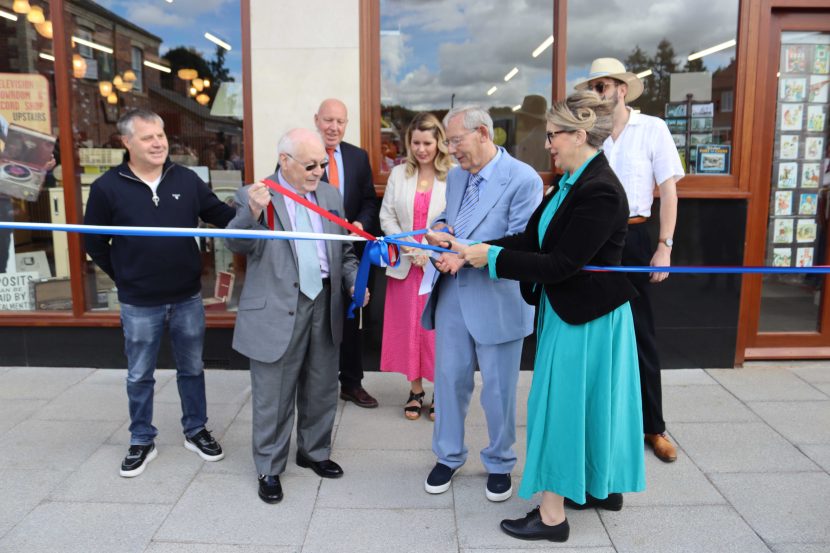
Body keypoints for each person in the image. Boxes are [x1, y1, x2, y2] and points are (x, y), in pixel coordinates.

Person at [448, 90, 646, 542]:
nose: (548, 144)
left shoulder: (600, 190)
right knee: (588, 403)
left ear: (580, 135)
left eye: (554, 135)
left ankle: (553, 515)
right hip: (572, 309)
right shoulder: (571, 182)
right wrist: (478, 248)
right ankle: (597, 487)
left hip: (589, 318)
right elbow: (534, 239)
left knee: (559, 406)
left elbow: (560, 264)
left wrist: (492, 259)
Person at [83, 109, 235, 477]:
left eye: (161, 135)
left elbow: (222, 216)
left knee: (191, 369)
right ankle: (141, 439)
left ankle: (195, 430)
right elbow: (94, 242)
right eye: (148, 137)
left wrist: (256, 210)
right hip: (139, 302)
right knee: (139, 374)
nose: (158, 143)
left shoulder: (185, 178)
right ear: (126, 142)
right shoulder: (107, 187)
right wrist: (125, 277)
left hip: (186, 297)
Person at [224, 128, 363, 504]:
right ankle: (269, 466)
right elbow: (237, 243)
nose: (318, 171)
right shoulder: (258, 194)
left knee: (321, 386)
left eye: (323, 163)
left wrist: (353, 283)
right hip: (277, 306)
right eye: (310, 165)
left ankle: (313, 452)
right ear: (284, 161)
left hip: (324, 300)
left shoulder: (331, 195)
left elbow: (345, 251)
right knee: (274, 393)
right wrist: (250, 213)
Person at [421, 105, 542, 502]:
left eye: (456, 141)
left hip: (498, 297)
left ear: (484, 134)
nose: (451, 150)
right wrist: (439, 231)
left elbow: (521, 241)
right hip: (453, 295)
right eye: (449, 142)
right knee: (450, 382)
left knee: (498, 391)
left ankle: (500, 462)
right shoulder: (456, 177)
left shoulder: (523, 180)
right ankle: (448, 455)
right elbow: (449, 218)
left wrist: (464, 254)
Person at [575, 57, 684, 462]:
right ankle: (601, 422)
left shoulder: (652, 128)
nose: (597, 94)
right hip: (594, 237)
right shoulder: (591, 132)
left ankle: (653, 426)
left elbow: (669, 191)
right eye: (593, 88)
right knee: (595, 331)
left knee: (640, 334)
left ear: (622, 88)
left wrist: (664, 245)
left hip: (636, 234)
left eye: (602, 87)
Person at [378, 112, 452, 420]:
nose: (421, 149)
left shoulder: (454, 174)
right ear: (409, 143)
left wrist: (431, 250)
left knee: (437, 332)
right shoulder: (398, 175)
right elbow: (386, 217)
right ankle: (416, 390)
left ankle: (440, 393)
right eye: (416, 142)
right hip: (405, 266)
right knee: (408, 330)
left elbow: (456, 220)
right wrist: (409, 247)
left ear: (439, 143)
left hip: (437, 268)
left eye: (427, 142)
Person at [314, 98, 381, 408]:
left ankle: (352, 384)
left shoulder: (357, 157)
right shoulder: (303, 154)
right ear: (317, 120)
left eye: (340, 121)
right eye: (328, 120)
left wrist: (361, 223)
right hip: (315, 255)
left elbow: (369, 199)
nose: (334, 127)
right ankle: (319, 385)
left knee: (354, 318)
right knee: (318, 320)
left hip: (351, 251)